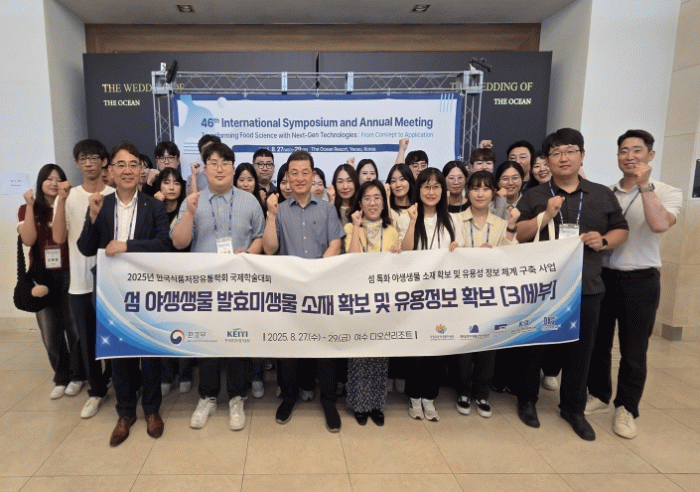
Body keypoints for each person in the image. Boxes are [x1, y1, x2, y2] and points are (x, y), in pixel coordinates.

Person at [515, 128, 629, 441]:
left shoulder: (601, 194)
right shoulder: (535, 195)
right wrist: (545, 215)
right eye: (556, 153)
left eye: (570, 151)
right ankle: (527, 400)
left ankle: (573, 408)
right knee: (535, 345)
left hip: (586, 285)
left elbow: (621, 229)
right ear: (547, 160)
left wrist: (603, 240)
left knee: (582, 350)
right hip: (542, 288)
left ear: (581, 155)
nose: (563, 158)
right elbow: (518, 233)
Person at [586, 129, 681, 439]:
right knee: (598, 343)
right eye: (624, 151)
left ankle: (626, 408)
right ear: (617, 156)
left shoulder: (666, 192)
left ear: (650, 155)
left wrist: (644, 186)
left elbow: (659, 224)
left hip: (641, 280)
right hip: (604, 276)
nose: (630, 156)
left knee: (634, 349)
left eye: (637, 150)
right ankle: (599, 394)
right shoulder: (606, 193)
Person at [77, 141, 172, 446]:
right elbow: (85, 248)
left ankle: (152, 410)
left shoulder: (153, 206)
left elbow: (164, 244)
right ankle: (125, 412)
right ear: (111, 170)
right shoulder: (100, 204)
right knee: (119, 355)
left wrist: (127, 246)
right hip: (112, 292)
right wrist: (92, 218)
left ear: (141, 170)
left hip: (146, 291)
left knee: (149, 353)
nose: (128, 170)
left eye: (134, 164)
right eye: (121, 165)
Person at [172, 142, 264, 432]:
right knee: (207, 342)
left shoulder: (250, 201)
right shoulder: (193, 201)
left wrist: (248, 253)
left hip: (239, 288)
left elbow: (260, 237)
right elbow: (179, 242)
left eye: (225, 163)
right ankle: (207, 396)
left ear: (233, 168)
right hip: (205, 288)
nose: (220, 168)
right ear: (205, 168)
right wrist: (189, 213)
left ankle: (237, 397)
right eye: (213, 163)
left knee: (238, 340)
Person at [263, 150, 345, 432]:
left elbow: (336, 244)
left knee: (326, 350)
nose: (299, 178)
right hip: (290, 292)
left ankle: (329, 402)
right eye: (294, 173)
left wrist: (314, 273)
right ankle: (289, 398)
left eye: (305, 172)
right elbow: (270, 249)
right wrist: (271, 216)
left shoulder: (327, 209)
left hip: (322, 290)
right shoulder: (280, 210)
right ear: (287, 177)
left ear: (313, 175)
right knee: (289, 349)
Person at [52, 139, 114, 420]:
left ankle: (118, 381)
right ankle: (96, 391)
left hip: (111, 282)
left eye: (94, 158)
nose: (88, 163)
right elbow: (58, 238)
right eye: (83, 159)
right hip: (79, 281)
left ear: (104, 162)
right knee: (87, 342)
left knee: (114, 339)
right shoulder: (69, 196)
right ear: (76, 164)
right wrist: (62, 200)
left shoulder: (115, 194)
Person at [453, 171, 518, 418]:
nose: (480, 194)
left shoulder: (501, 224)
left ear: (493, 193)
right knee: (464, 345)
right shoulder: (455, 220)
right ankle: (462, 391)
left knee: (488, 347)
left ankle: (481, 393)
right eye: (475, 188)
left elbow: (511, 259)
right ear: (467, 192)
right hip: (462, 295)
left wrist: (500, 247)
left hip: (491, 296)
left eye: (485, 189)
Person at [18, 164, 85, 400]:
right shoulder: (27, 209)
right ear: (40, 182)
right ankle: (61, 376)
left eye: (59, 179)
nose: (54, 183)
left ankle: (78, 376)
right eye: (49, 179)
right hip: (41, 277)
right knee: (49, 330)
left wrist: (63, 201)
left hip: (69, 272)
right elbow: (28, 240)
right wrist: (29, 206)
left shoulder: (69, 204)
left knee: (74, 327)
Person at [401, 168, 462, 422]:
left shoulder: (452, 220)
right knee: (417, 349)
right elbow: (405, 251)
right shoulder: (408, 216)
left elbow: (460, 255)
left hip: (442, 297)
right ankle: (414, 397)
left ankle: (429, 397)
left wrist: (457, 249)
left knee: (437, 348)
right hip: (416, 297)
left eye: (436, 186)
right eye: (426, 186)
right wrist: (412, 221)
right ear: (419, 190)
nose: (431, 191)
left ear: (443, 191)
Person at [344, 180, 400, 426]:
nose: (373, 203)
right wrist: (357, 226)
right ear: (360, 203)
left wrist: (397, 256)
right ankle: (359, 404)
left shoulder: (392, 231)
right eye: (367, 198)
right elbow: (353, 259)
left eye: (377, 197)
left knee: (379, 354)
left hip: (382, 302)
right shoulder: (350, 227)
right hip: (358, 300)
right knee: (359, 356)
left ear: (383, 202)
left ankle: (376, 404)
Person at [152, 167, 193, 396]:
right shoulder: (152, 209)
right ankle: (166, 375)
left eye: (176, 182)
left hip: (184, 278)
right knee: (163, 327)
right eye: (166, 182)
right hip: (159, 279)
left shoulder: (187, 210)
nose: (171, 187)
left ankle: (185, 373)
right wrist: (156, 206)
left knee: (184, 326)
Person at [331, 163, 360, 228]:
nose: (345, 187)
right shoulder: (330, 207)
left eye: (349, 181)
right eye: (340, 181)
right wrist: (331, 203)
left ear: (355, 183)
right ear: (334, 185)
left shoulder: (362, 208)